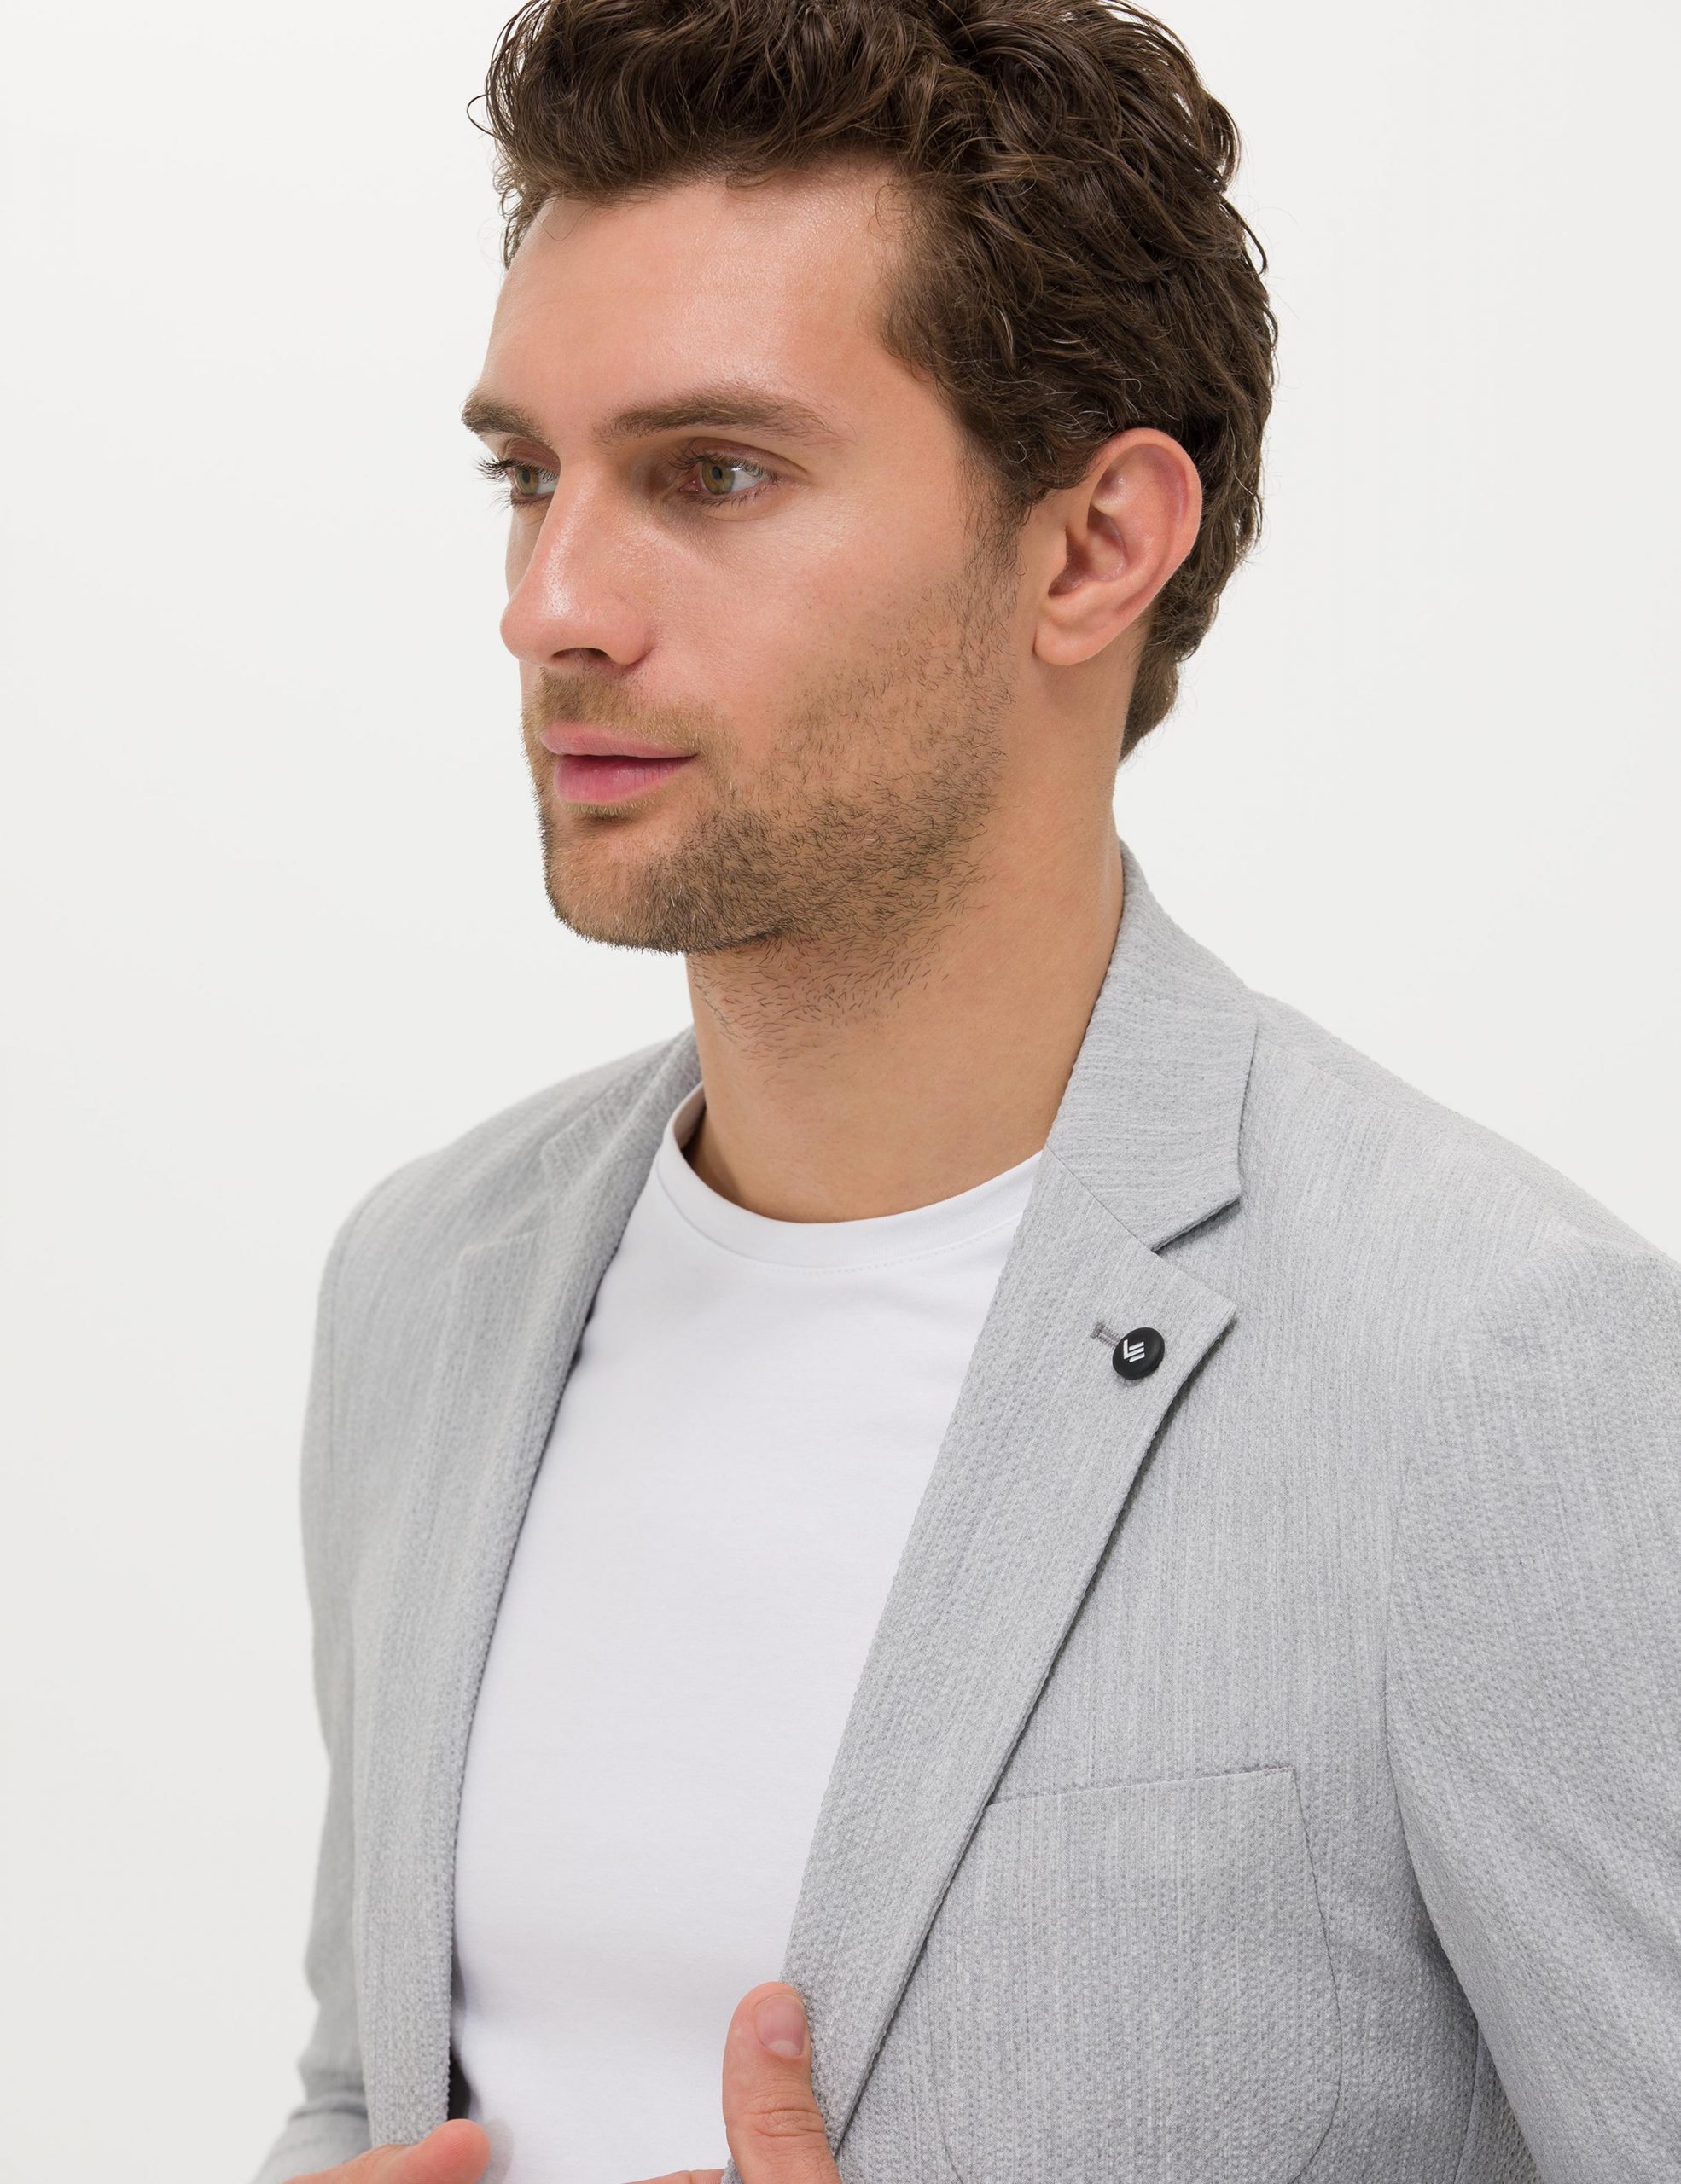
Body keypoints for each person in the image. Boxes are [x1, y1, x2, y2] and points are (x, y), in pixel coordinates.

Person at [249, 3, 1681, 2181]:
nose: (552, 604)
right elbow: (371, 2088)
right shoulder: (424, 1283)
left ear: (1093, 544)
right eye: (530, 476)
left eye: (712, 474)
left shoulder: (1490, 1364)